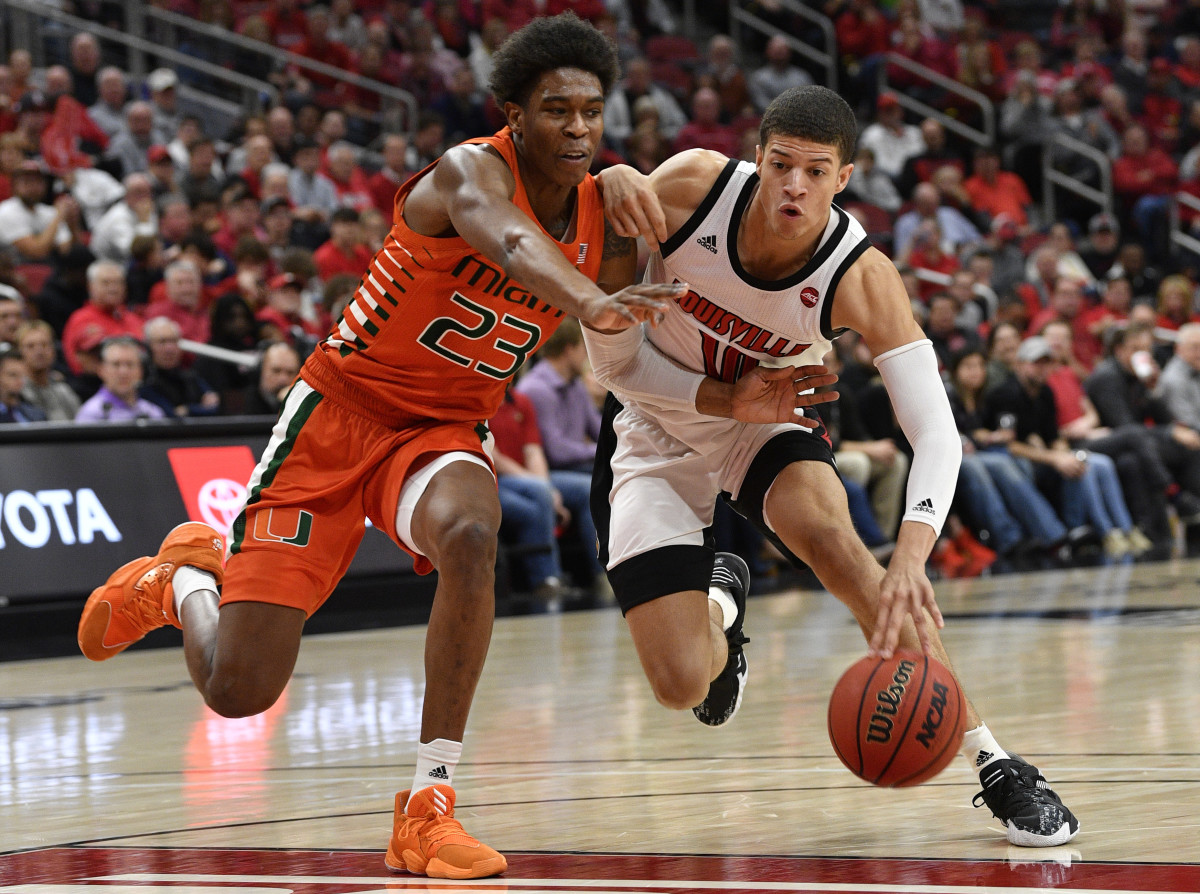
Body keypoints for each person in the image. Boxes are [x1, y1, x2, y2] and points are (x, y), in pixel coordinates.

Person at [76, 12, 685, 880]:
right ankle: (182, 583)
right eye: (557, 110)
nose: (579, 128)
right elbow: (508, 236)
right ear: (513, 114)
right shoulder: (466, 170)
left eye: (593, 112)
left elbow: (695, 260)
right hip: (337, 414)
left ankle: (428, 804)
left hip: (438, 433)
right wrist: (588, 300)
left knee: (474, 536)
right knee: (238, 692)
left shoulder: (609, 215)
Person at [593, 85, 1078, 847]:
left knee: (854, 563)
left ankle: (997, 763)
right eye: (781, 164)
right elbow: (611, 363)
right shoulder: (690, 189)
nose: (794, 185)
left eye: (815, 172)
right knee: (680, 684)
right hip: (653, 420)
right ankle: (723, 604)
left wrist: (914, 553)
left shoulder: (859, 274)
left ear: (844, 177)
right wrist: (727, 395)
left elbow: (937, 433)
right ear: (755, 159)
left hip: (767, 425)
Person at [74, 335, 167, 423]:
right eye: (116, 364)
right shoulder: (91, 416)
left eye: (130, 364)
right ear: (101, 370)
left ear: (141, 371)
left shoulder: (152, 413)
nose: (123, 372)